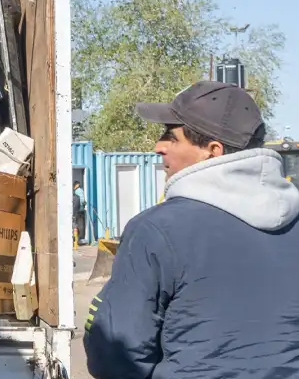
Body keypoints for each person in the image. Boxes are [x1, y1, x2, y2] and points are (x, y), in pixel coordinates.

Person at [83, 81, 299, 378]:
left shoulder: (156, 229)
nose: (159, 147)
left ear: (212, 151)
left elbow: (115, 354)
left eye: (171, 137)